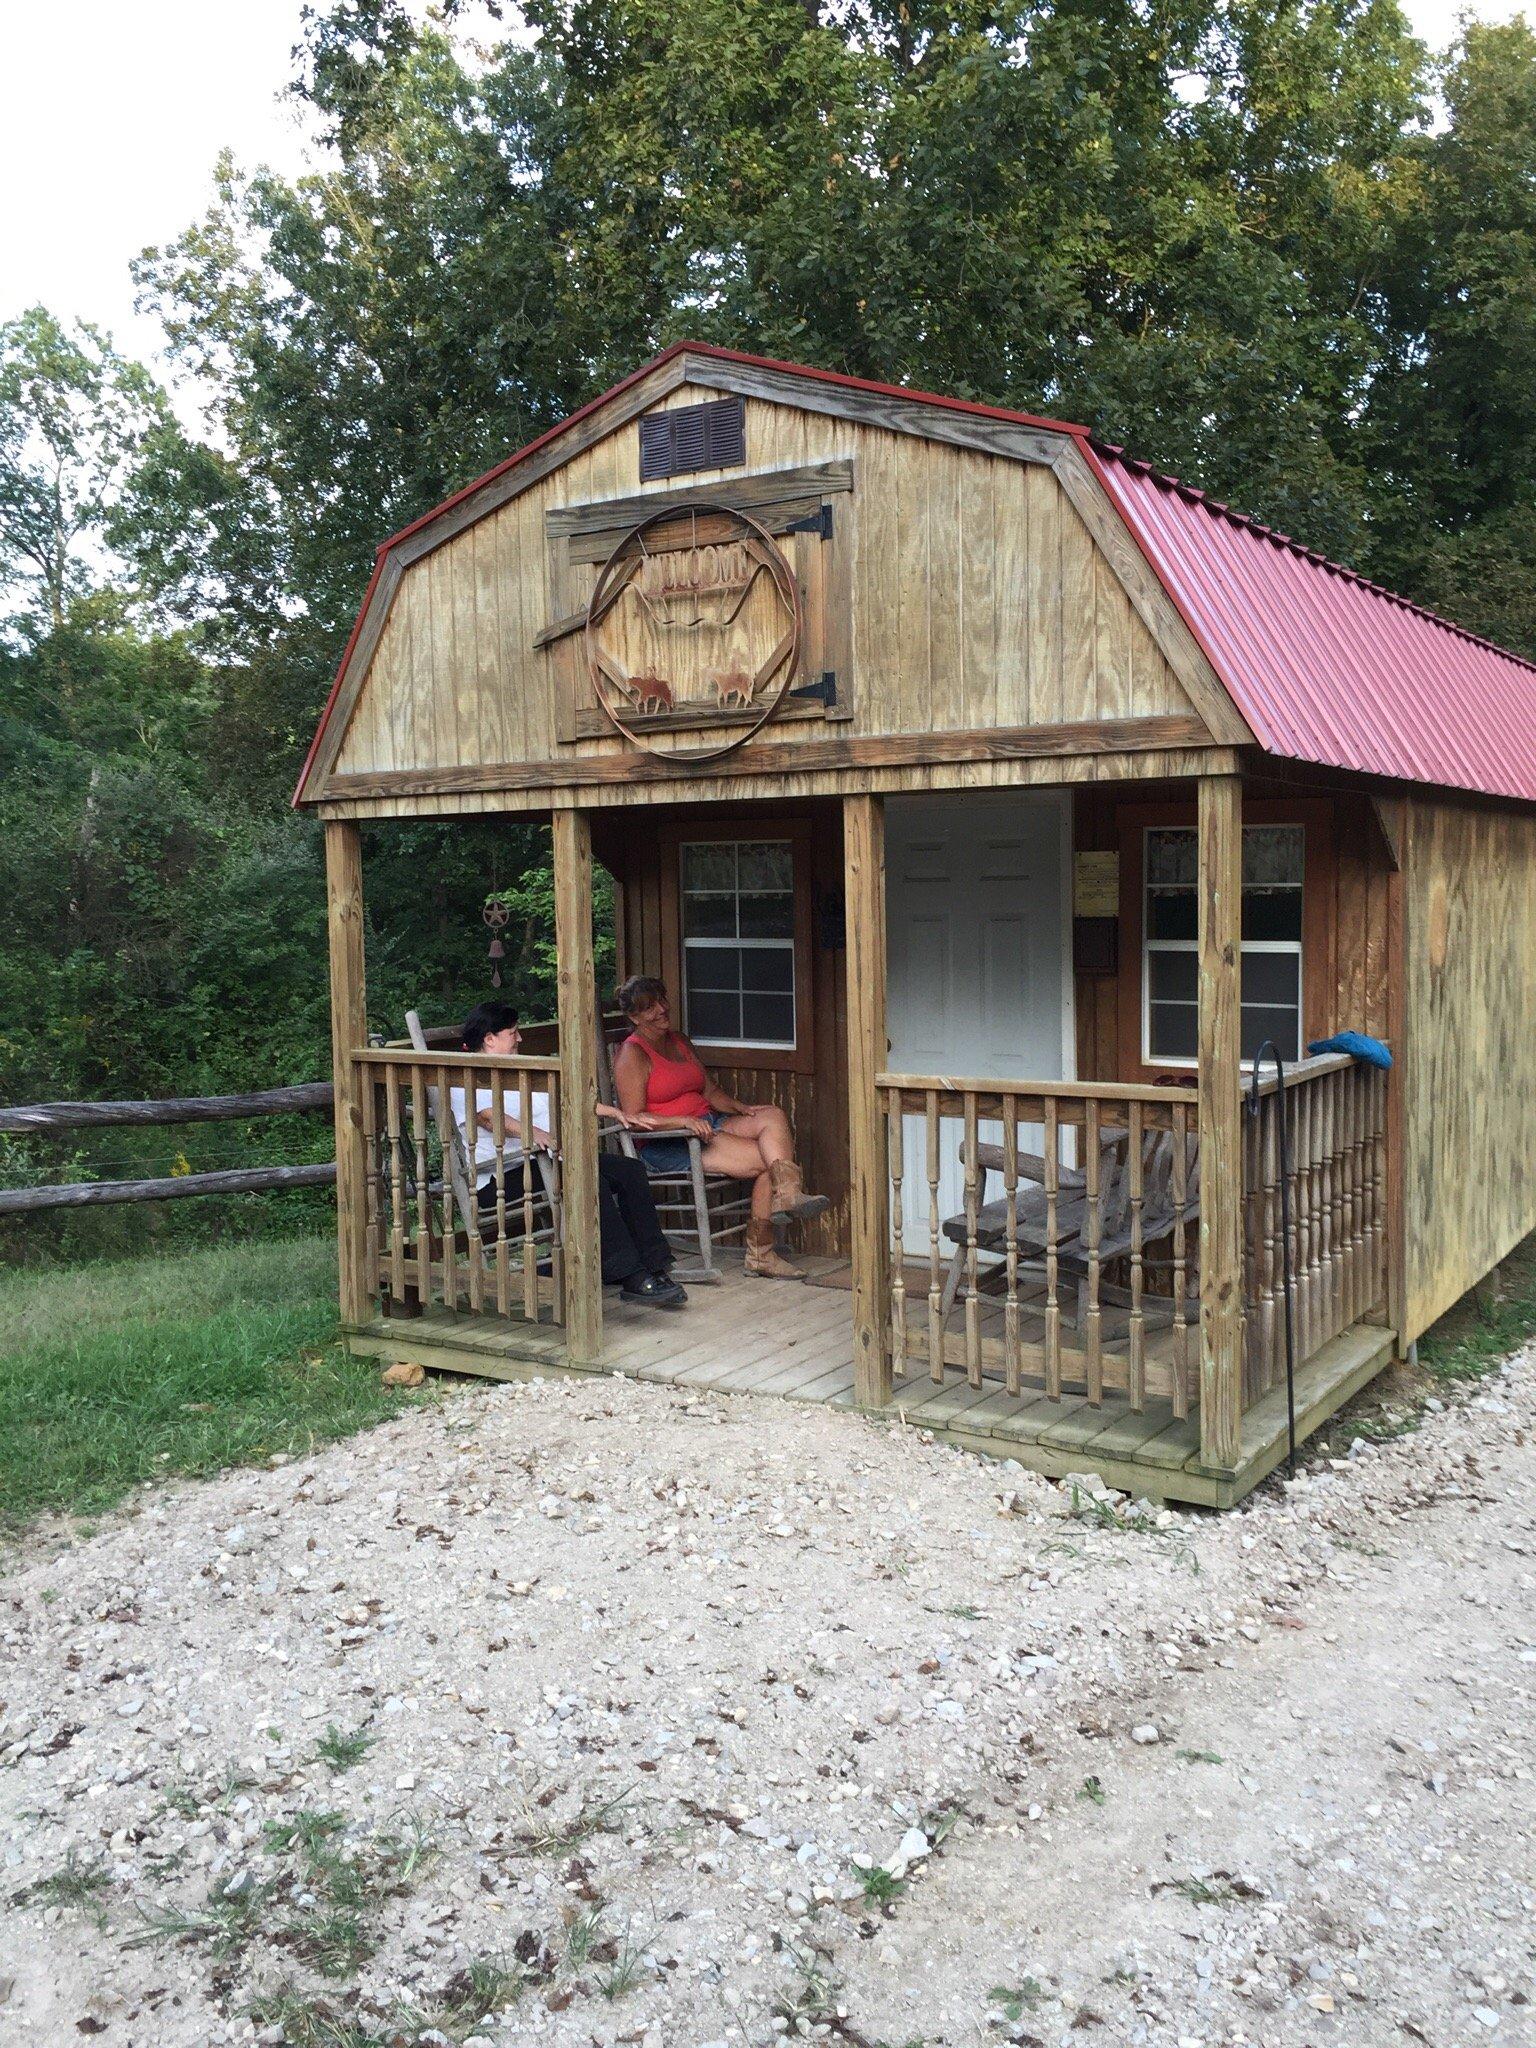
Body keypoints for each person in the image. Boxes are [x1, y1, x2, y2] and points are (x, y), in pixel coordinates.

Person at [452, 1002, 687, 1310]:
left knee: (629, 1170)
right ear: (490, 1039)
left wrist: (615, 1112)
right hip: (500, 1175)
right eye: (513, 1033)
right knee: (590, 1178)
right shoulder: (466, 1076)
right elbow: (487, 1117)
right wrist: (534, 1133)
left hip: (544, 1161)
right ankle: (630, 1275)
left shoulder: (520, 1069)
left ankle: (654, 1264)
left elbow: (567, 1101)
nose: (520, 1039)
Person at [611, 974, 828, 1280]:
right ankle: (761, 1254)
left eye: (662, 1000)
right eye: (649, 1008)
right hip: (669, 1142)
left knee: (772, 1115)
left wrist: (740, 1107)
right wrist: (682, 1121)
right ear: (634, 1016)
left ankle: (788, 1194)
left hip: (706, 1124)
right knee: (766, 1161)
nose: (661, 1009)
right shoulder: (632, 1055)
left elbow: (708, 1091)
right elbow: (633, 1118)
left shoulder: (679, 1041)